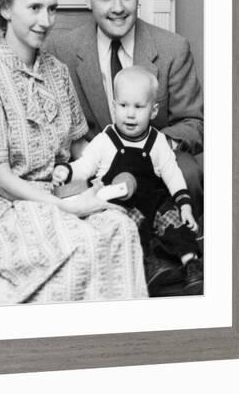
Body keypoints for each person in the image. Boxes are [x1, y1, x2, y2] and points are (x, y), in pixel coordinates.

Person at [0, 0, 148, 306]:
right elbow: (1, 180)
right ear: (5, 8)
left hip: (62, 187)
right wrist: (69, 208)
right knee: (79, 243)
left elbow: (79, 146)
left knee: (120, 228)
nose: (46, 21)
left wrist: (108, 175)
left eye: (52, 8)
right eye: (34, 8)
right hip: (9, 202)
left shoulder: (58, 72)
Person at [44, 0, 203, 222]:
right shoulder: (61, 48)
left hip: (154, 163)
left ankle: (174, 252)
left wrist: (152, 146)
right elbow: (53, 123)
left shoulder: (174, 48)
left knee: (188, 171)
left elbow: (194, 123)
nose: (118, 8)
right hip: (94, 161)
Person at [53, 66, 203, 295]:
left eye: (138, 107)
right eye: (123, 106)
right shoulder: (106, 140)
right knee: (132, 230)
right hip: (121, 206)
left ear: (153, 111)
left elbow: (172, 174)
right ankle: (147, 266)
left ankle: (191, 264)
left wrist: (184, 205)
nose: (130, 114)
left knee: (176, 226)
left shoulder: (157, 141)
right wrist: (67, 171)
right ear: (114, 107)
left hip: (155, 201)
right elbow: (85, 165)